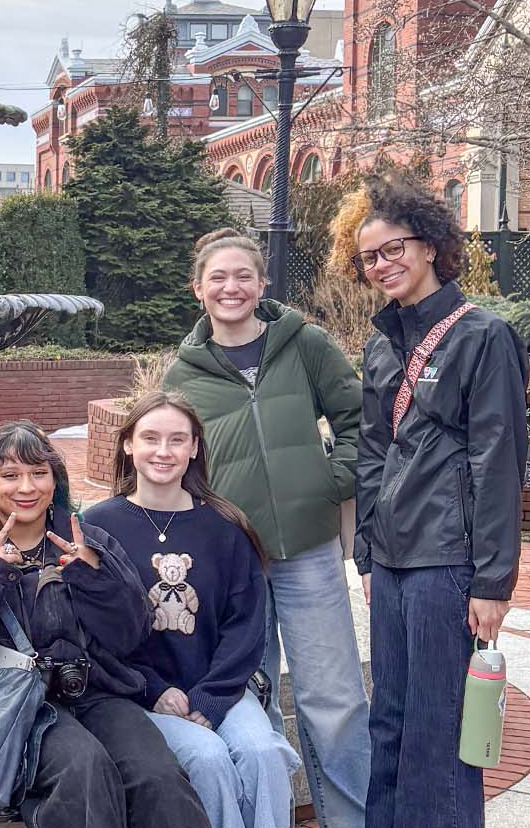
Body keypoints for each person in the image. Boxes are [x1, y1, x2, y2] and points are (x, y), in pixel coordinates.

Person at [163, 227, 370, 828]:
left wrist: (326, 483)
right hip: (235, 565)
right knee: (252, 704)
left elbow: (361, 422)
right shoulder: (183, 374)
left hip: (309, 550)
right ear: (198, 289)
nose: (232, 287)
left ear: (262, 283)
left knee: (334, 701)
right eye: (218, 277)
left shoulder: (305, 344)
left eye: (243, 275)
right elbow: (175, 463)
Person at [352, 174, 527, 828]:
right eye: (370, 257)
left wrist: (493, 579)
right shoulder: (379, 344)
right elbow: (372, 455)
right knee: (390, 720)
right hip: (393, 564)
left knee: (440, 727)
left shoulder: (483, 336)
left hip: (448, 563)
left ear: (430, 245)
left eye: (394, 248)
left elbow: (499, 457)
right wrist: (367, 556)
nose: (383, 265)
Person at [0, 420, 210, 828]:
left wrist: (92, 576)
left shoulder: (87, 540)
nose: (27, 487)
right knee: (83, 770)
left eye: (38, 473)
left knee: (157, 776)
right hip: (7, 704)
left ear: (54, 480)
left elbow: (131, 636)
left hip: (96, 692)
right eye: (10, 475)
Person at [84, 393, 299, 828]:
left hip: (219, 689)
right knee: (207, 757)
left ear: (195, 448)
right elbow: (92, 631)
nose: (163, 451)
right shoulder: (98, 526)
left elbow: (247, 627)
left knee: (264, 753)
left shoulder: (226, 526)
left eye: (177, 440)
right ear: (128, 445)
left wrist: (210, 697)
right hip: (142, 694)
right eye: (150, 438)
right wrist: (152, 690)